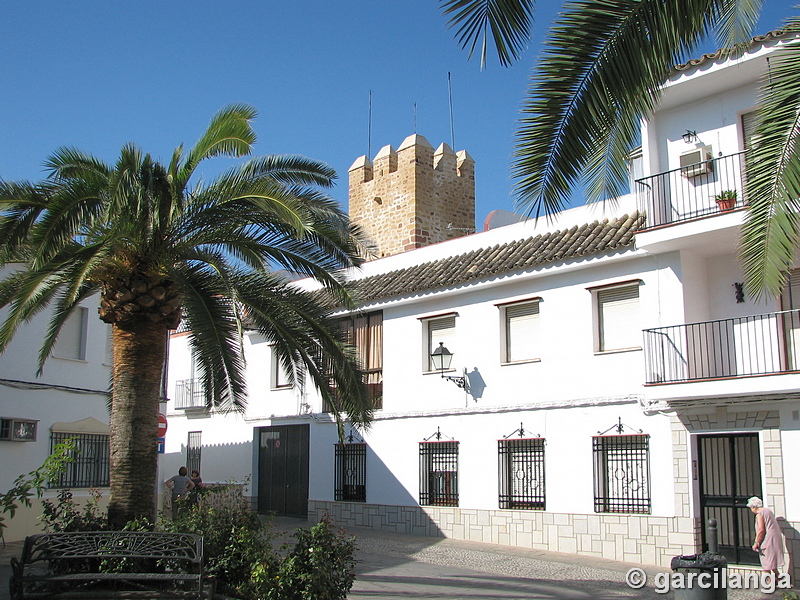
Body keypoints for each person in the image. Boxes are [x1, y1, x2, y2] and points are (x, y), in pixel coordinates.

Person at [747, 496, 784, 577]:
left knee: (766, 561)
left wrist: (756, 543)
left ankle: (770, 582)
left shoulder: (759, 514)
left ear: (754, 507)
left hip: (767, 539)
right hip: (775, 537)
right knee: (772, 561)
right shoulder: (768, 511)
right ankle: (780, 580)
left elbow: (761, 530)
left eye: (751, 507)